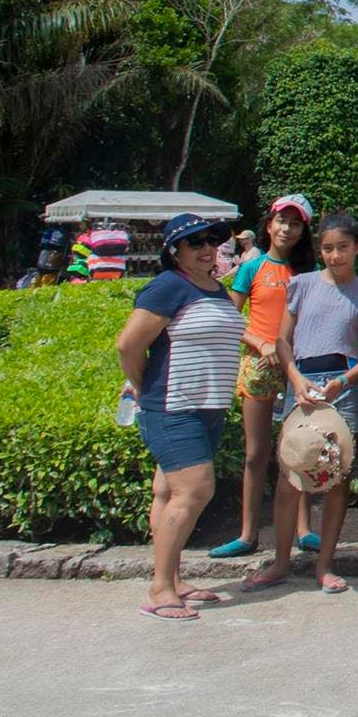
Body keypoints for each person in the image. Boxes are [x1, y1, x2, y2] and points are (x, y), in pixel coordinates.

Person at [242, 211, 358, 595]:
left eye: (342, 247)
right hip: (300, 386)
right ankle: (280, 563)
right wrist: (295, 378)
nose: (335, 255)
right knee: (291, 476)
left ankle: (325, 566)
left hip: (342, 390)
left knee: (336, 479)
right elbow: (283, 340)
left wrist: (343, 381)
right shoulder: (301, 285)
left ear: (357, 247)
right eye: (328, 248)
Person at [116, 212, 245, 621]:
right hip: (174, 407)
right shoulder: (169, 286)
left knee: (167, 493)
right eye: (195, 242)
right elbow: (128, 346)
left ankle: (171, 579)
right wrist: (143, 387)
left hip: (208, 408)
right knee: (194, 491)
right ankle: (160, 590)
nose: (207, 248)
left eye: (211, 240)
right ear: (174, 251)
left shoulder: (215, 289)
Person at [212, 194, 315, 559]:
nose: (287, 228)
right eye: (282, 221)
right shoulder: (251, 268)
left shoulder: (309, 272)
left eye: (296, 223)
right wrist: (259, 342)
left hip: (298, 368)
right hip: (259, 365)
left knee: (300, 451)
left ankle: (304, 529)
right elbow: (229, 317)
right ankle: (247, 534)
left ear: (304, 231)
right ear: (269, 225)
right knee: (256, 453)